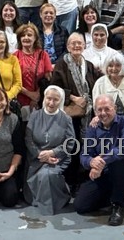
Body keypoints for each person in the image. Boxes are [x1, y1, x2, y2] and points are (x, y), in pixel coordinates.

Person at [74, 94, 124, 226]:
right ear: (95, 111)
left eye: (107, 109)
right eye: (99, 110)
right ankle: (113, 194)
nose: (103, 113)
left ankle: (117, 205)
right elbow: (84, 155)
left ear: (114, 108)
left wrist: (102, 160)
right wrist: (92, 162)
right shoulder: (92, 128)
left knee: (118, 159)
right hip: (103, 173)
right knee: (81, 206)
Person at [49, 32, 102, 188]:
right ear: (67, 46)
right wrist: (73, 98)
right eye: (73, 43)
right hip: (69, 115)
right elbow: (54, 88)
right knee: (71, 146)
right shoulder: (61, 64)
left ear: (85, 46)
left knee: (87, 146)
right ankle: (70, 181)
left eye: (80, 43)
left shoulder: (89, 65)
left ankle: (84, 179)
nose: (77, 46)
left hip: (87, 114)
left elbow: (95, 87)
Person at [25, 85, 74, 215]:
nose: (51, 103)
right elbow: (28, 139)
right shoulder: (35, 115)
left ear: (61, 101)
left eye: (56, 100)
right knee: (32, 191)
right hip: (36, 158)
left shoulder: (66, 119)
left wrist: (53, 152)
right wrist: (40, 154)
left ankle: (54, 203)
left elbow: (70, 143)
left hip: (57, 158)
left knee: (47, 175)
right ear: (44, 98)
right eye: (49, 98)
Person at [91, 52, 124, 122]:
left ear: (123, 66)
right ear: (106, 67)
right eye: (110, 65)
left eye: (117, 65)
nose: (114, 68)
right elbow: (96, 105)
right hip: (107, 121)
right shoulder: (100, 83)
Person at [13, 23, 52, 113]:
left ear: (35, 38)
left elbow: (48, 78)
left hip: (40, 100)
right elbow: (13, 81)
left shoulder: (43, 55)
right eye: (23, 35)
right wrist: (30, 94)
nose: (26, 37)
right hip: (19, 101)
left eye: (29, 35)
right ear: (19, 38)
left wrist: (36, 97)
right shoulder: (14, 56)